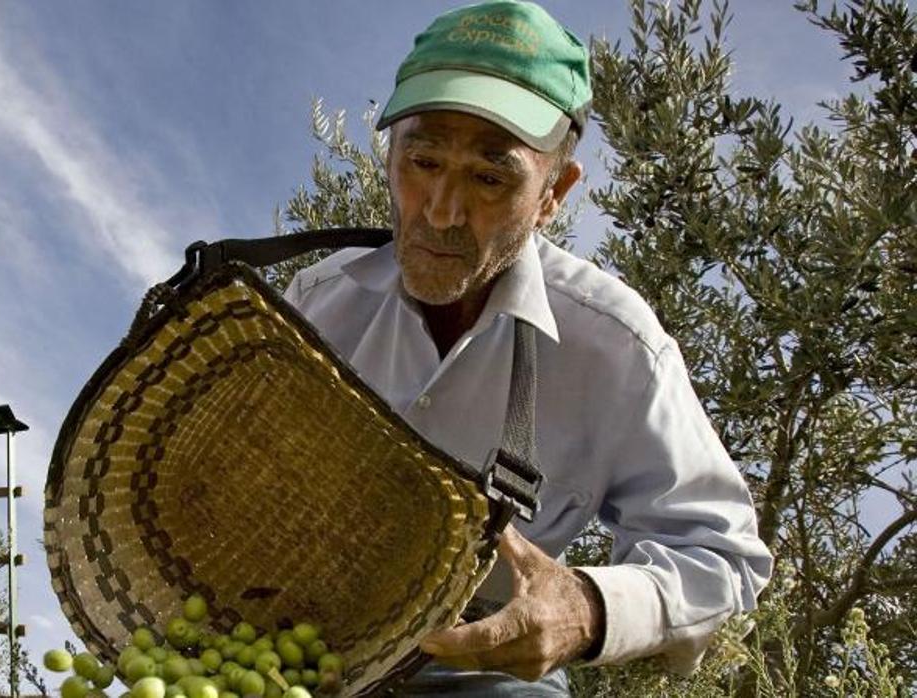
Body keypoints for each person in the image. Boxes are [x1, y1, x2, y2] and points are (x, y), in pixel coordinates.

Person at [281, 1, 773, 695]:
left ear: (553, 195)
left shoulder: (617, 348)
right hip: (298, 646)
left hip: (475, 667)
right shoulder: (315, 304)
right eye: (421, 161)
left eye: (490, 178)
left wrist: (587, 609)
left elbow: (721, 555)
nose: (441, 211)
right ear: (389, 151)